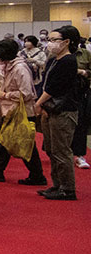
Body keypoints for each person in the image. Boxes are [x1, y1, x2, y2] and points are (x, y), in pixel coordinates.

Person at [0, 40, 47, 186]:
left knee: (24, 144)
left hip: (22, 112)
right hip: (11, 110)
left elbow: (26, 93)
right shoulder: (9, 67)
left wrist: (5, 96)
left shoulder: (19, 68)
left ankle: (37, 175)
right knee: (5, 142)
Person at [35, 26, 81, 200]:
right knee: (52, 149)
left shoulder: (68, 61)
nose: (50, 43)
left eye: (54, 40)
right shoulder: (54, 59)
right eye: (50, 40)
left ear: (66, 42)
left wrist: (39, 103)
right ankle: (57, 184)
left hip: (63, 110)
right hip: (51, 109)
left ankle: (67, 188)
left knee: (61, 150)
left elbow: (55, 87)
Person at [73, 38, 91, 169]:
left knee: (80, 124)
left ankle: (79, 155)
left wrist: (83, 72)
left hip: (81, 93)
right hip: (60, 94)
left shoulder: (85, 54)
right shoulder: (55, 55)